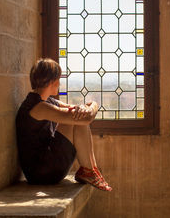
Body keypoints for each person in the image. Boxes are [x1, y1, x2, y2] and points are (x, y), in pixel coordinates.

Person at [15, 58, 112, 191]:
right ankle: (89, 171)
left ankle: (91, 170)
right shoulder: (39, 107)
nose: (59, 83)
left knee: (76, 116)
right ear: (52, 81)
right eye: (58, 79)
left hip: (45, 167)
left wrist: (89, 105)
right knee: (77, 119)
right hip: (41, 173)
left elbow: (76, 111)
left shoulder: (45, 101)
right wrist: (91, 107)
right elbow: (85, 119)